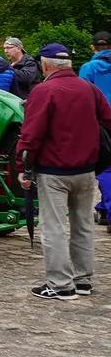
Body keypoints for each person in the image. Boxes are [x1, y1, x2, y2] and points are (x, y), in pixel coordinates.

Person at [16, 43, 111, 300]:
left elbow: (31, 134)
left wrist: (22, 168)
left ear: (45, 65)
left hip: (53, 170)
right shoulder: (89, 89)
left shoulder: (44, 91)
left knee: (54, 227)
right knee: (82, 226)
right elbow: (108, 121)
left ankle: (60, 284)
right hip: (86, 170)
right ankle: (83, 280)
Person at [78, 30, 111, 229]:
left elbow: (83, 98)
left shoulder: (88, 68)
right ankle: (104, 208)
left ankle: (108, 210)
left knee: (106, 168)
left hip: (101, 124)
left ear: (93, 47)